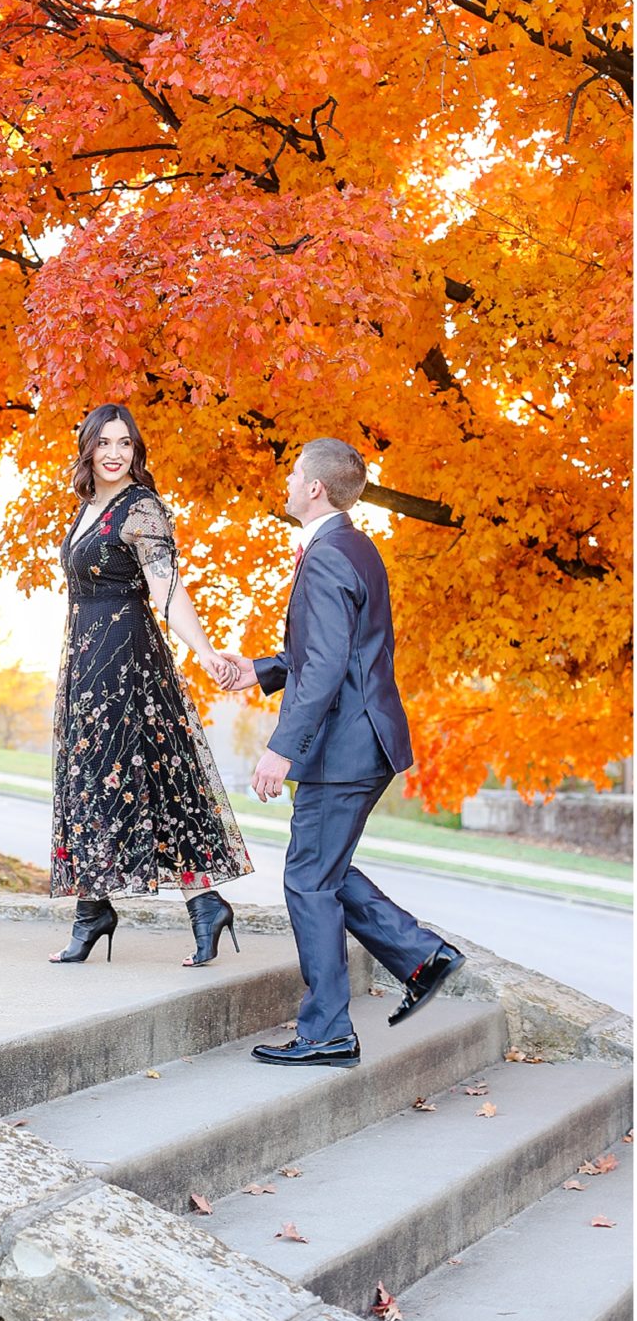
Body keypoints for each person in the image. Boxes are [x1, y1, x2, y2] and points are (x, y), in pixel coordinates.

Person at [221, 437, 463, 1068]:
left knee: (307, 879)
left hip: (342, 748)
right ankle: (420, 956)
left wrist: (281, 750)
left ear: (314, 489)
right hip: (366, 739)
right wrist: (261, 669)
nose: (287, 480)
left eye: (293, 473)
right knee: (325, 869)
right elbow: (342, 651)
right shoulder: (353, 546)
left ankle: (328, 1030)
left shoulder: (327, 557)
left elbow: (328, 666)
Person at [49, 403, 254, 967]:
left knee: (155, 775)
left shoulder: (141, 509)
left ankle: (200, 905)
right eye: (105, 443)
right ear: (88, 447)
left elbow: (166, 587)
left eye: (126, 444)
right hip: (86, 660)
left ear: (136, 452)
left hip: (127, 659)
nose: (115, 453)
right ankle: (95, 910)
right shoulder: (87, 508)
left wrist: (205, 651)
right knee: (87, 778)